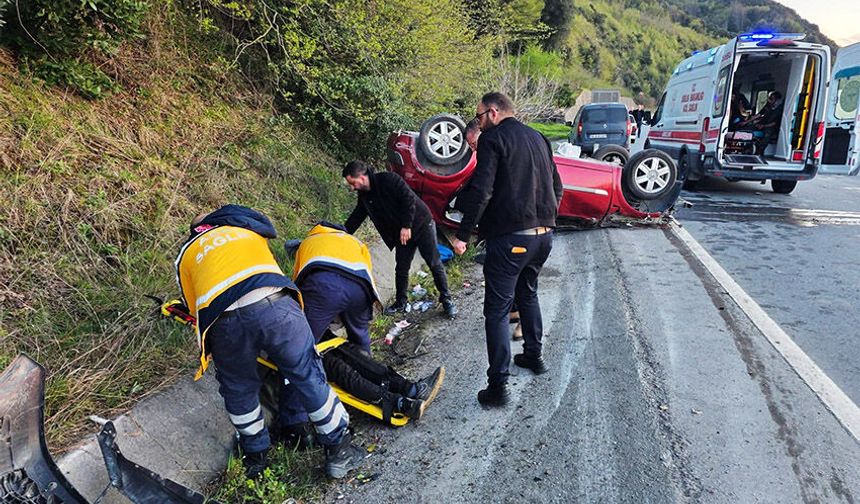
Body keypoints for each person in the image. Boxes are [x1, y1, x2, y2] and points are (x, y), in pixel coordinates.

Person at [174, 204, 365, 479]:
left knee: (239, 389)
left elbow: (193, 307)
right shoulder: (246, 228)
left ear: (194, 232)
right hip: (275, 306)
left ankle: (255, 459)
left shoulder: (187, 252)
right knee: (306, 372)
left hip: (224, 324)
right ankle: (338, 450)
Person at [451, 92, 562, 407]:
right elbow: (557, 186)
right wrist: (548, 219)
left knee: (497, 311)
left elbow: (482, 191)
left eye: (480, 116)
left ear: (493, 112)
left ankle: (498, 387)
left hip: (512, 238)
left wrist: (463, 234)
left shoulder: (492, 139)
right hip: (543, 236)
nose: (480, 122)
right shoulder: (538, 137)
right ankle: (533, 357)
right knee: (528, 294)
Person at [343, 160, 457, 319]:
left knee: (434, 262)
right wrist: (342, 233)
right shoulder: (365, 196)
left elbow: (409, 199)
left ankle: (447, 300)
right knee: (401, 268)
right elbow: (357, 216)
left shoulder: (389, 179)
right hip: (402, 233)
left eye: (353, 183)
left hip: (421, 224)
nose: (352, 187)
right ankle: (401, 302)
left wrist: (406, 225)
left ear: (361, 177)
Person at [290, 221, 381, 353]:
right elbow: (368, 271)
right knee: (360, 336)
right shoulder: (355, 241)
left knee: (305, 342)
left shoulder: (309, 241)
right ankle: (365, 361)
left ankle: (300, 362)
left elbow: (297, 282)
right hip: (361, 289)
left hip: (325, 286)